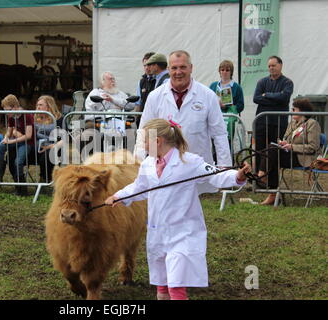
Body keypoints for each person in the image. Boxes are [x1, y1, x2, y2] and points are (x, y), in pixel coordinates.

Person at [105, 118, 250, 300]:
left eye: (144, 141)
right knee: (162, 287)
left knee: (176, 286)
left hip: (183, 233)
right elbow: (139, 187)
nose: (142, 145)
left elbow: (216, 175)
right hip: (158, 231)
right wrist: (119, 196)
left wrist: (237, 176)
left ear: (157, 141)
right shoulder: (148, 164)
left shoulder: (189, 162)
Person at [136, 50, 232, 194]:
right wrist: (142, 162)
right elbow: (145, 131)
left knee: (193, 211)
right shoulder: (155, 96)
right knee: (163, 211)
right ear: (168, 69)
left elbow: (219, 134)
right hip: (163, 168)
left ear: (191, 68)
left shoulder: (208, 96)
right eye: (174, 68)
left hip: (196, 167)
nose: (178, 72)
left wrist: (225, 167)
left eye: (183, 67)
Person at [257, 99, 321, 205]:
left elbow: (312, 147)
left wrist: (292, 146)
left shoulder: (312, 124)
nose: (291, 111)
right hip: (290, 154)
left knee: (272, 153)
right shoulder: (292, 123)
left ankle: (262, 175)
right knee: (272, 150)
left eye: (294, 109)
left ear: (302, 112)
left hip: (304, 158)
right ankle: (271, 191)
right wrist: (283, 143)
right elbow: (286, 139)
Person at [253, 56, 294, 170]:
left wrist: (267, 95)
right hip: (262, 122)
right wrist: (276, 98)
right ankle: (258, 177)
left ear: (280, 65)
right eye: (269, 66)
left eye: (273, 65)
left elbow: (284, 98)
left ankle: (272, 181)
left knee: (274, 151)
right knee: (259, 150)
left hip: (278, 123)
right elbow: (256, 98)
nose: (271, 68)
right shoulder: (262, 82)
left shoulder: (287, 82)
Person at [0, 95, 34, 196]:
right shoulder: (11, 116)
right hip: (16, 141)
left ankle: (22, 190)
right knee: (0, 147)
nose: (6, 113)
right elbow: (9, 132)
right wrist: (5, 139)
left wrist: (11, 142)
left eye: (8, 110)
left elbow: (28, 136)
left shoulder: (27, 116)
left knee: (18, 162)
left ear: (15, 107)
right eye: (5, 110)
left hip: (27, 143)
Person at [209, 60, 244, 143]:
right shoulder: (213, 86)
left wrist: (228, 106)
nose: (224, 72)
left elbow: (241, 105)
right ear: (219, 71)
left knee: (227, 143)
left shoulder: (236, 87)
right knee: (214, 143)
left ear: (231, 72)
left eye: (227, 70)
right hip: (215, 118)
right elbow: (207, 101)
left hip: (229, 120)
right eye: (222, 70)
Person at [34, 95, 63, 183]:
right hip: (37, 146)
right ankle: (20, 184)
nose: (38, 107)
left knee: (46, 155)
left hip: (52, 146)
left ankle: (45, 179)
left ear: (49, 106)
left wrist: (52, 146)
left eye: (41, 105)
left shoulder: (58, 119)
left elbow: (64, 139)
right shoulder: (34, 118)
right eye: (37, 105)